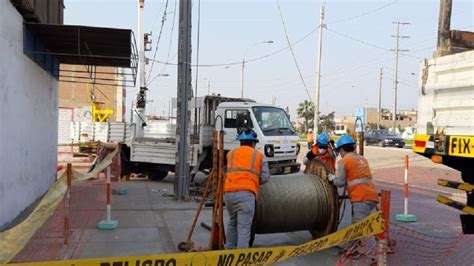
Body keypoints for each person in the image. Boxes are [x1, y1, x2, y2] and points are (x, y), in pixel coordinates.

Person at [328, 135, 378, 257]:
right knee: (358, 224)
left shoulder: (344, 161)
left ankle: (360, 252)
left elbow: (339, 183)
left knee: (357, 226)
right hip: (371, 195)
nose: (339, 153)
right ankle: (352, 248)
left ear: (342, 150)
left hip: (361, 198)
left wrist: (331, 178)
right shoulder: (362, 159)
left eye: (339, 151)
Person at [224, 128, 270, 249]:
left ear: (241, 142)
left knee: (232, 224)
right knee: (244, 229)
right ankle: (241, 259)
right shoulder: (259, 155)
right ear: (253, 143)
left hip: (229, 194)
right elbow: (265, 177)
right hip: (245, 196)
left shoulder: (231, 154)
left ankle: (229, 254)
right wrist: (252, 180)